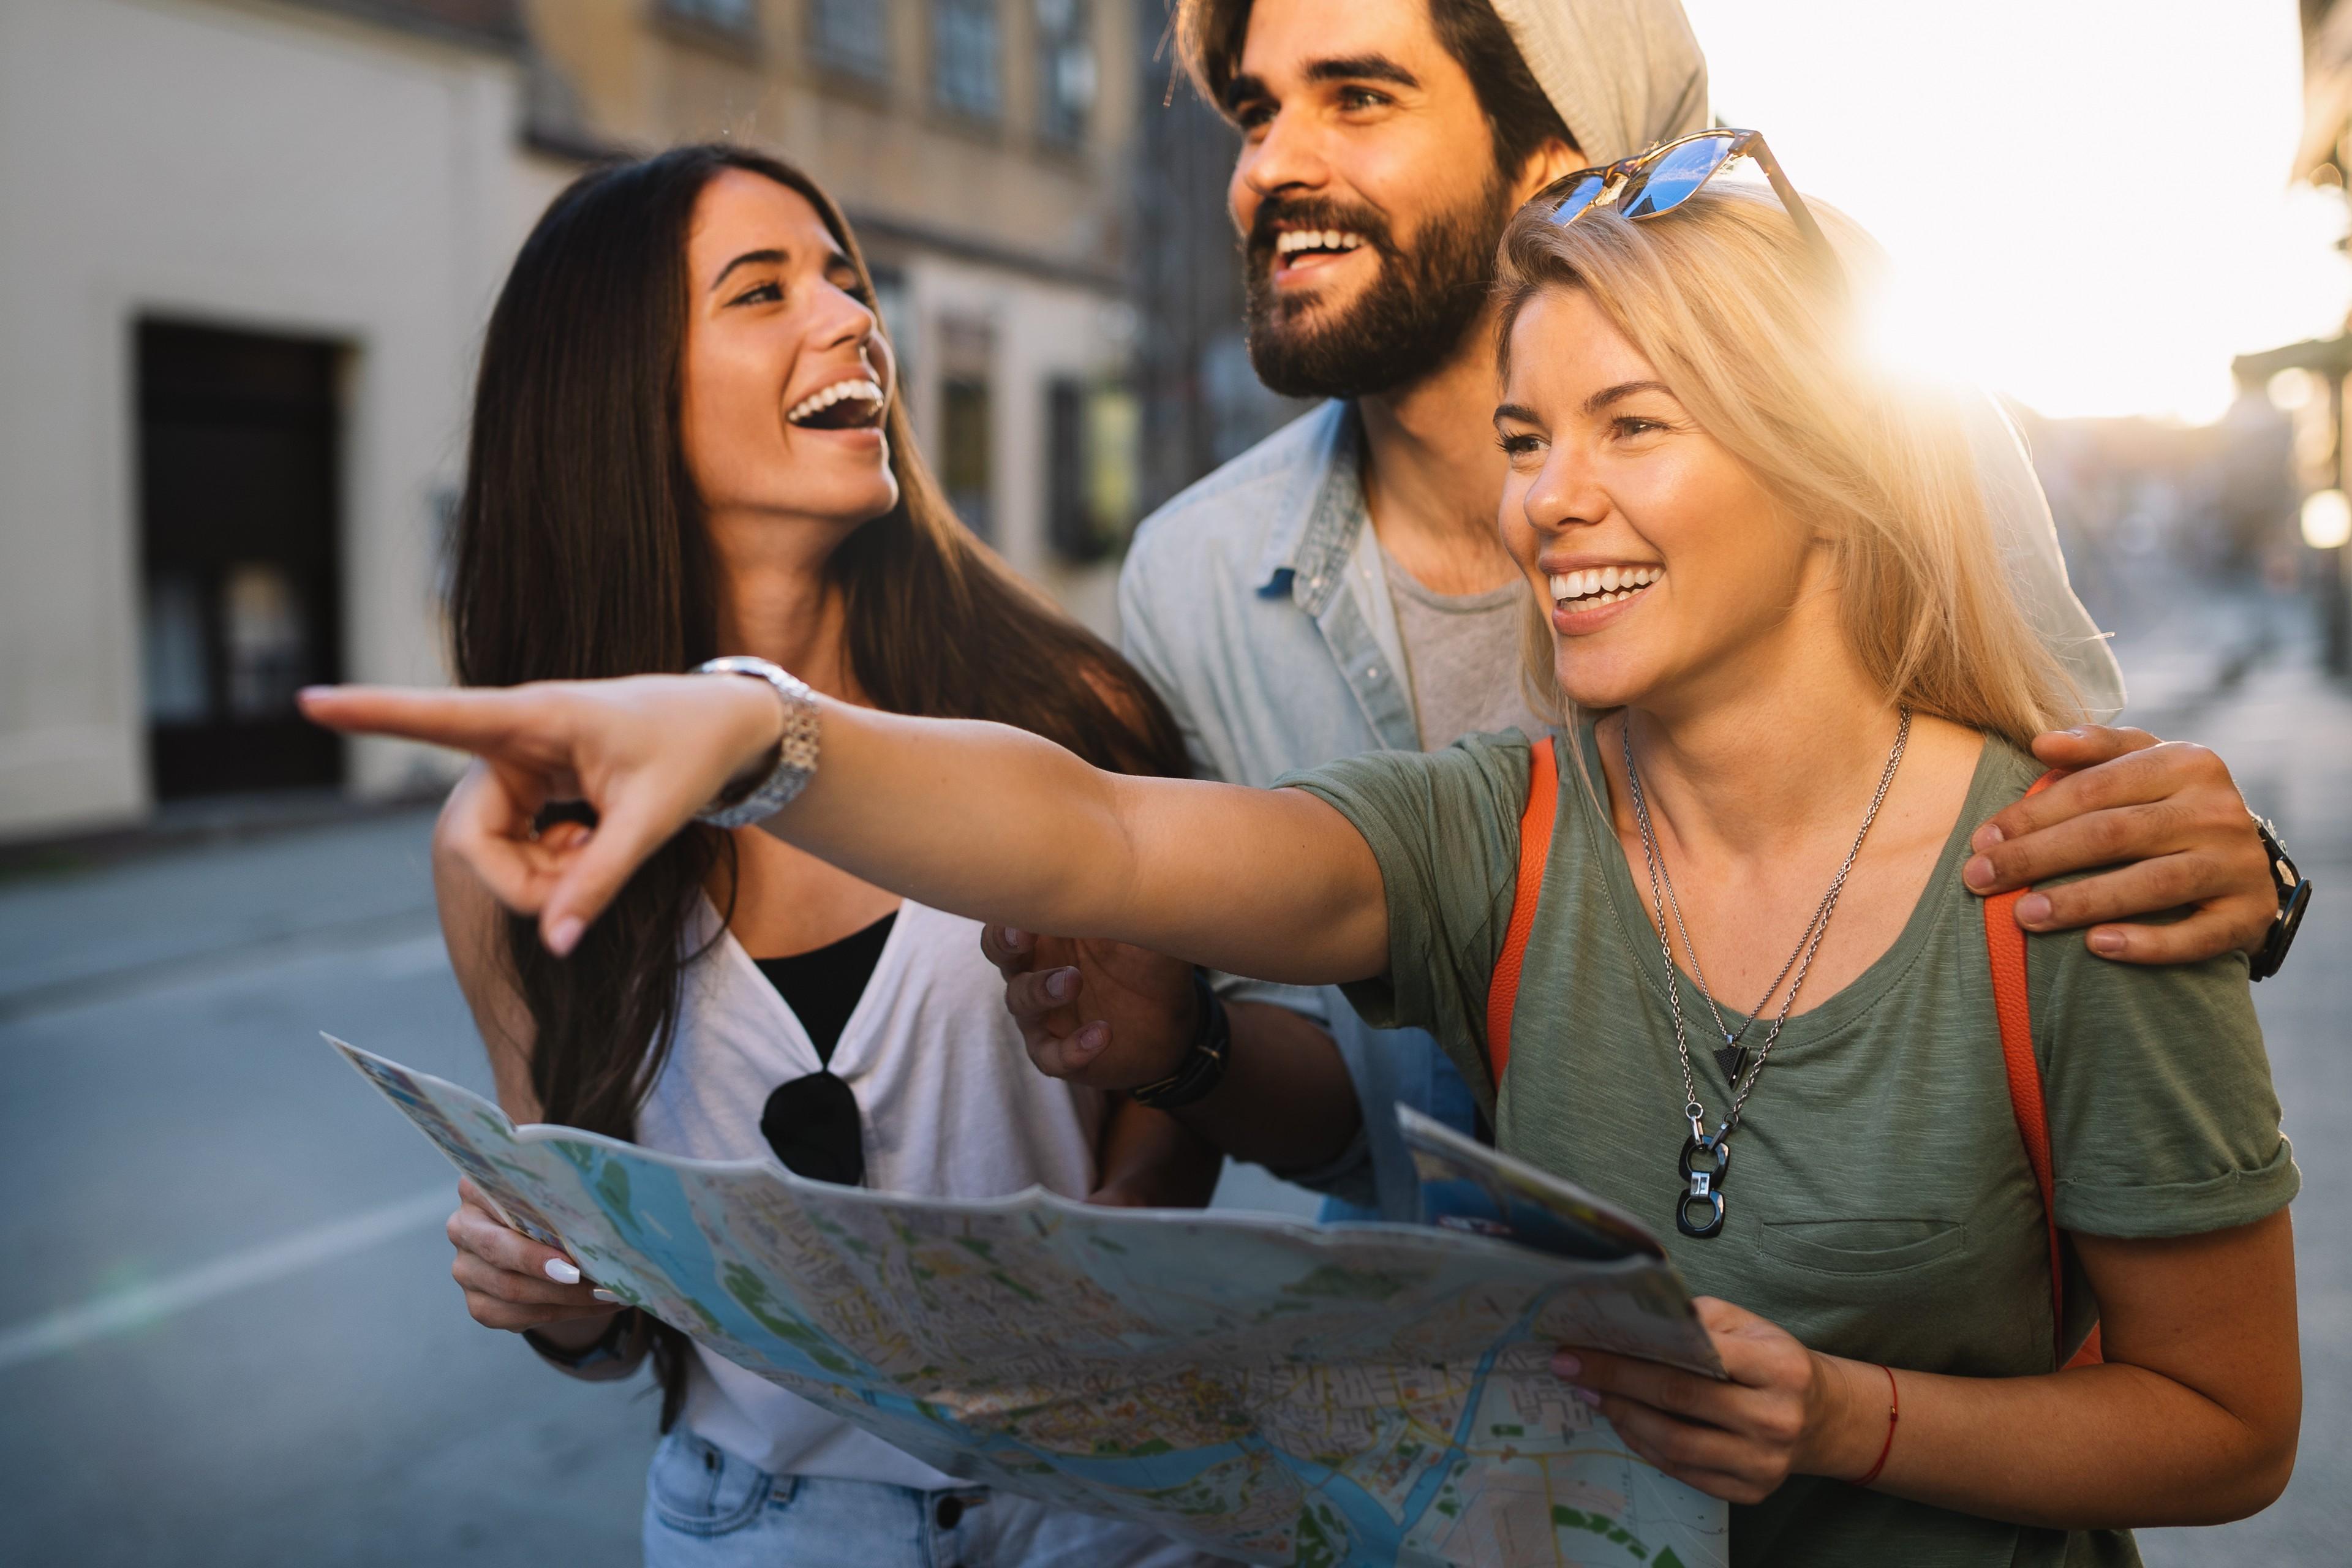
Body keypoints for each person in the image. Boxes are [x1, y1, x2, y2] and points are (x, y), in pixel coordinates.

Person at [304, 164, 2301, 1566]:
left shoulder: (2084, 872)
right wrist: (763, 733)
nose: (1553, 500)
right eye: (1526, 438)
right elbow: (1093, 833)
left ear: (1829, 460)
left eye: (1634, 423)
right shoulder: (1498, 830)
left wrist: (1854, 1419)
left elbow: (2233, 1431)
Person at [985, 0, 2295, 1223]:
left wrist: (2229, 871)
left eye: (1361, 98)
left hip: (1876, 1367)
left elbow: (2069, 847)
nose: (1270, 167)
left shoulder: (1878, 415)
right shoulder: (1195, 572)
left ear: (1555, 160)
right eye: (1259, 113)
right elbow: (1351, 1118)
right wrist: (1188, 1048)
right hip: (1436, 1402)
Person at [420, 144, 1221, 1567]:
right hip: (762, 1522)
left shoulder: (1056, 717)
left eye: (850, 281)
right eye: (762, 291)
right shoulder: (512, 850)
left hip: (1109, 1495)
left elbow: (1186, 1081)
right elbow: (608, 1314)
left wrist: (1118, 1241)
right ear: (622, 400)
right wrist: (550, 1291)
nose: (853, 319)